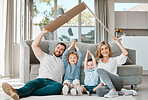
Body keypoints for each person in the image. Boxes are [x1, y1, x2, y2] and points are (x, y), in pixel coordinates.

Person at [2, 28, 67, 100]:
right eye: (58, 48)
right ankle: (17, 92)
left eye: (62, 49)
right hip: (40, 80)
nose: (59, 50)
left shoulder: (65, 62)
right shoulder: (45, 56)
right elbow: (34, 45)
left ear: (64, 52)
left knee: (58, 88)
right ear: (55, 48)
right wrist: (42, 33)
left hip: (54, 83)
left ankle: (19, 92)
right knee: (30, 85)